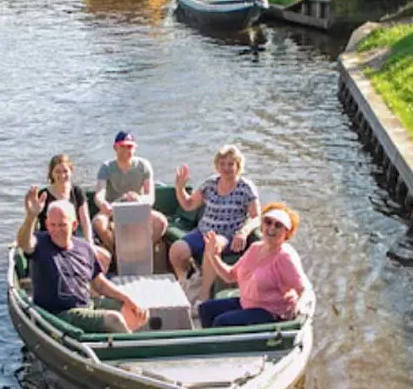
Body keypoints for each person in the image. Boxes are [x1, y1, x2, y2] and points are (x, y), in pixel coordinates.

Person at [17, 186, 148, 333]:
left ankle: (121, 341)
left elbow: (100, 284)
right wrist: (31, 217)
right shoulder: (40, 243)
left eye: (62, 225)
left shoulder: (84, 247)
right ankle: (130, 351)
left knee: (131, 309)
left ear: (73, 225)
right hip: (58, 314)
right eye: (52, 225)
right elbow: (24, 243)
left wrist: (128, 299)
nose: (56, 230)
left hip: (86, 305)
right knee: (113, 319)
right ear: (47, 225)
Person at [170, 144, 261, 305]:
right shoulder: (210, 183)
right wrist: (179, 188)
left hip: (228, 234)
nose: (226, 168)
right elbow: (189, 204)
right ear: (217, 165)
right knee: (176, 250)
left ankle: (203, 297)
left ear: (238, 166)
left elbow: (257, 217)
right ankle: (185, 281)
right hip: (203, 230)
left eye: (230, 164)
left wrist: (244, 231)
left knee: (212, 246)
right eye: (222, 164)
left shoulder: (246, 188)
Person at [197, 202, 312, 328]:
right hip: (247, 303)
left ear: (286, 232)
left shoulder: (285, 256)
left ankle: (221, 345)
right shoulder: (255, 248)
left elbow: (302, 289)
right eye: (268, 222)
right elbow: (230, 276)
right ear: (262, 225)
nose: (271, 228)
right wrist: (213, 256)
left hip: (271, 312)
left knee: (222, 322)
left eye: (278, 225)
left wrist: (297, 311)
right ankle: (210, 343)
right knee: (206, 309)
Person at [92, 131, 168, 251]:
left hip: (137, 207)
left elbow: (150, 197)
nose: (126, 150)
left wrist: (140, 199)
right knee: (98, 223)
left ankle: (143, 251)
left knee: (161, 222)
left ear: (135, 148)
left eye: (130, 147)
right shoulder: (106, 167)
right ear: (115, 147)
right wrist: (103, 204)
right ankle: (116, 252)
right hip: (113, 208)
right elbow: (99, 194)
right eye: (122, 147)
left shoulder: (143, 165)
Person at [37, 154, 111, 271]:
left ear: (71, 171)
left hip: (71, 240)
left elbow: (85, 221)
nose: (62, 175)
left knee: (104, 257)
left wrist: (89, 244)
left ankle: (92, 284)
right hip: (50, 240)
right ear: (51, 173)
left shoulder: (76, 192)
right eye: (57, 171)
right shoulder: (43, 194)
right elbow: (34, 221)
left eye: (65, 171)